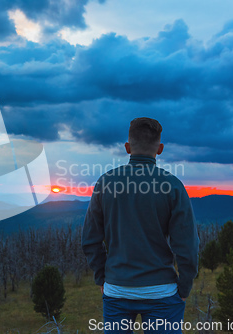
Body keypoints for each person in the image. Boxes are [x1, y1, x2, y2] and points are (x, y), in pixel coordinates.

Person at [81, 117, 199, 334]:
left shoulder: (105, 182)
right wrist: (184, 288)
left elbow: (90, 239)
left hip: (117, 290)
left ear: (127, 147)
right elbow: (188, 246)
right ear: (160, 149)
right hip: (162, 292)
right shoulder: (172, 186)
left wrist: (102, 278)